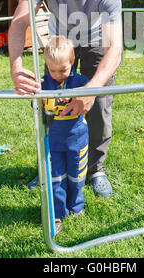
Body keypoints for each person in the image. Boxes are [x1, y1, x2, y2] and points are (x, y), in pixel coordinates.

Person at [8, 0, 122, 197]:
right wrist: (16, 67)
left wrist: (91, 90)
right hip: (61, 42)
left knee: (99, 105)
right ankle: (51, 165)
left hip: (95, 42)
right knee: (51, 102)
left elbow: (114, 48)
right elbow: (18, 23)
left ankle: (95, 170)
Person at [41, 35, 89, 234]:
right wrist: (39, 101)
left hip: (77, 139)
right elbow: (35, 107)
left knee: (77, 175)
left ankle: (76, 205)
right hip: (54, 141)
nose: (58, 75)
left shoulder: (81, 82)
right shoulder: (44, 85)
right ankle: (57, 212)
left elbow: (89, 100)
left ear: (72, 63)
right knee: (56, 177)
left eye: (63, 70)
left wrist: (82, 94)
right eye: (52, 70)